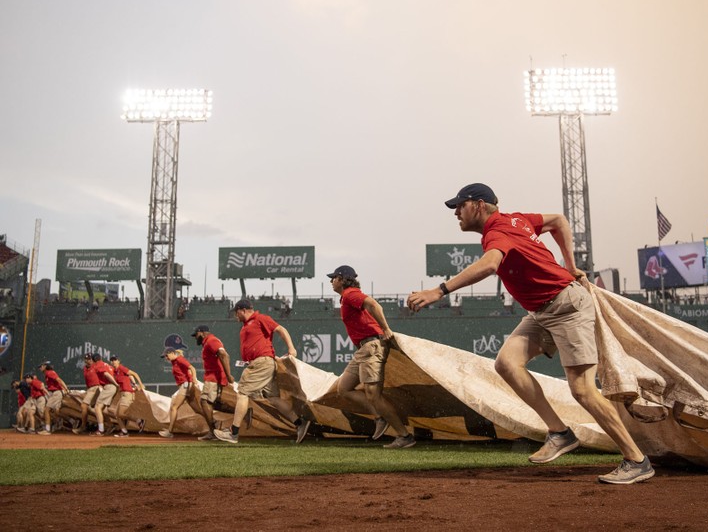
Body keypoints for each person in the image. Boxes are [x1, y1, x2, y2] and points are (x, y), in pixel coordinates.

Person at [406, 183, 654, 484]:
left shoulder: (497, 231)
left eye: (461, 205)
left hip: (567, 307)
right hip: (544, 311)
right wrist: (571, 265)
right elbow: (559, 221)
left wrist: (439, 290)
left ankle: (636, 460)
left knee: (583, 390)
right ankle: (560, 433)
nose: (456, 212)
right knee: (507, 363)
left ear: (479, 205)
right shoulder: (518, 220)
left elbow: (489, 265)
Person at [328, 265, 414, 449]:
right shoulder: (346, 297)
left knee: (374, 395)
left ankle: (405, 436)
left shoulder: (351, 293)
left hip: (372, 346)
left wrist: (386, 329)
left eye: (334, 277)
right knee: (343, 388)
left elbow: (374, 305)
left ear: (342, 279)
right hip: (363, 349)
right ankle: (379, 416)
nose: (331, 281)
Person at [214, 298, 310, 444]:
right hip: (261, 363)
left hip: (261, 363)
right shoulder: (246, 325)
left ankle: (233, 433)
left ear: (242, 310)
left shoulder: (260, 318)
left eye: (236, 313)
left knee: (242, 393)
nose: (236, 316)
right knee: (274, 398)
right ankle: (299, 423)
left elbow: (281, 329)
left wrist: (291, 348)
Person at [191, 325, 234, 441]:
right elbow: (224, 355)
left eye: (196, 335)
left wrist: (228, 375)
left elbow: (224, 355)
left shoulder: (211, 340)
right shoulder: (209, 342)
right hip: (214, 377)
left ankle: (213, 432)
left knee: (204, 401)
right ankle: (242, 411)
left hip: (213, 377)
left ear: (201, 332)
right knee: (214, 403)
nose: (195, 338)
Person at [159, 348, 197, 438]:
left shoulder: (179, 359)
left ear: (172, 353)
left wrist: (194, 379)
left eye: (167, 356)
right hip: (184, 385)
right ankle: (213, 423)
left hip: (186, 385)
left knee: (174, 407)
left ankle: (170, 431)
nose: (166, 358)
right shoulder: (174, 361)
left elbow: (192, 368)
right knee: (197, 408)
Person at [109, 355, 145, 437]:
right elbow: (130, 376)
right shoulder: (115, 371)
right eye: (112, 360)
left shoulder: (121, 368)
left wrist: (140, 384)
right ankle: (124, 432)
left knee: (121, 414)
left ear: (118, 361)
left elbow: (134, 374)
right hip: (123, 394)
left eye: (115, 360)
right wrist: (134, 384)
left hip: (128, 393)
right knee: (116, 414)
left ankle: (139, 420)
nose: (113, 362)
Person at [38, 361, 69, 435]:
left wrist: (66, 388)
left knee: (46, 410)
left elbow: (59, 380)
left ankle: (48, 430)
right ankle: (70, 421)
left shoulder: (49, 372)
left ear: (45, 366)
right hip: (55, 393)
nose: (40, 368)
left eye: (41, 366)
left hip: (57, 393)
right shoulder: (47, 374)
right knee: (57, 411)